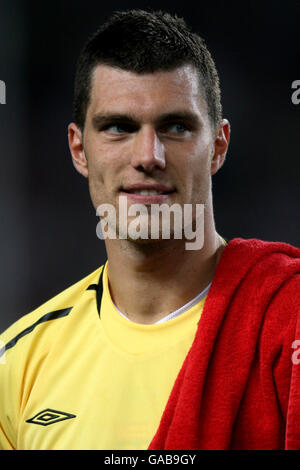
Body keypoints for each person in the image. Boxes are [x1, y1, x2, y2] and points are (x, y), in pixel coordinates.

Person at [0, 9, 299, 451]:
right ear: (79, 150)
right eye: (118, 127)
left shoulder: (288, 319)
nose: (148, 155)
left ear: (218, 146)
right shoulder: (17, 366)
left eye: (175, 127)